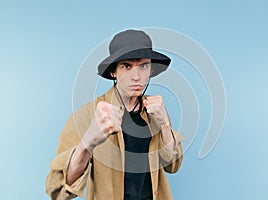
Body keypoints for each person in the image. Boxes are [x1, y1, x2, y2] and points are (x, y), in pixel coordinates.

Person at [45, 29, 184, 200]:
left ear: (151, 70)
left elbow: (173, 166)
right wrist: (87, 142)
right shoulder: (88, 114)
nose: (136, 76)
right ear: (113, 72)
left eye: (143, 66)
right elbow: (57, 191)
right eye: (127, 66)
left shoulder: (156, 110)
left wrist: (165, 125)